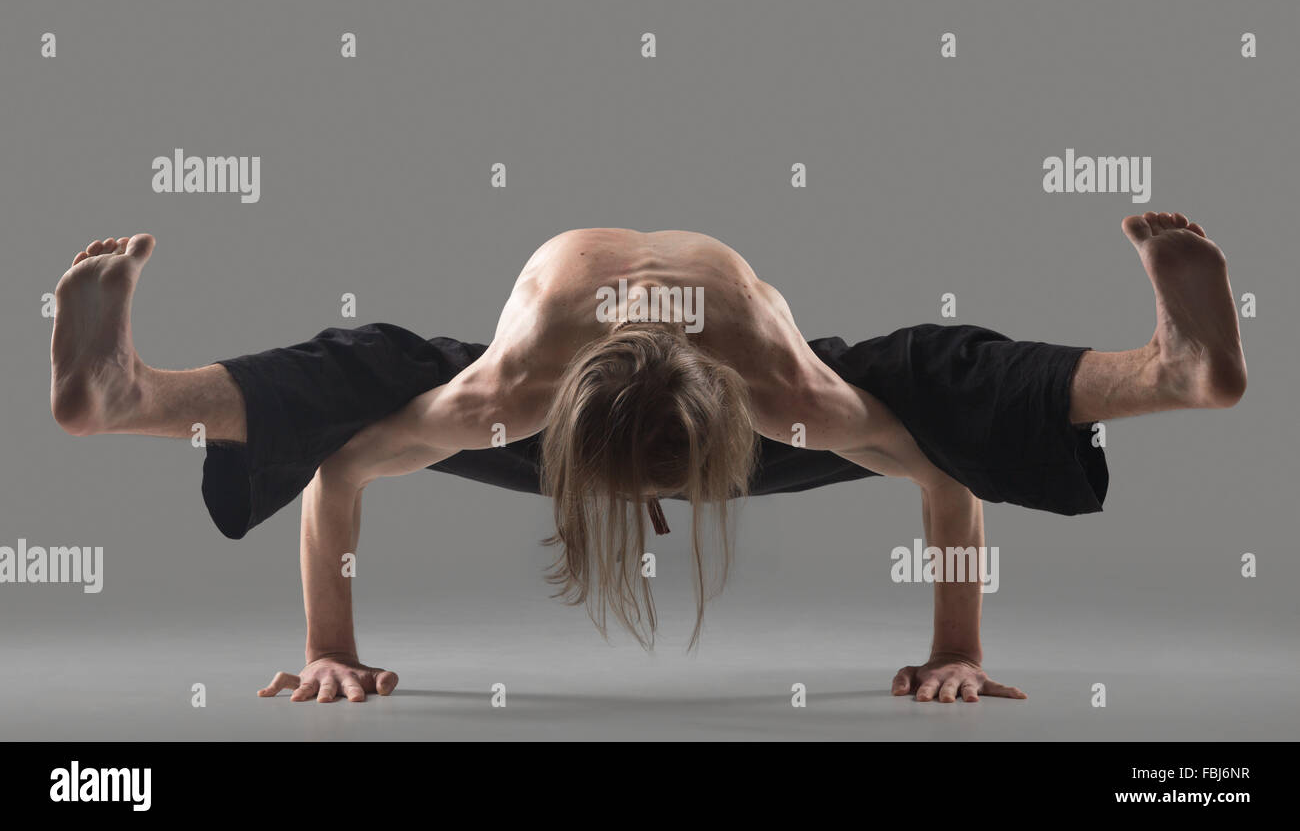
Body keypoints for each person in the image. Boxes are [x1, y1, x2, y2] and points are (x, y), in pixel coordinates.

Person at [49, 215, 1246, 704]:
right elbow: (342, 468)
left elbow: (940, 466)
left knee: (932, 378)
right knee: (363, 367)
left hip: (741, 392)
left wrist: (955, 652)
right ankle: (128, 392)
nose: (656, 509)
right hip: (554, 394)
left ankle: (1169, 369)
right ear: (553, 439)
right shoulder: (501, 394)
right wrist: (329, 648)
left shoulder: (790, 396)